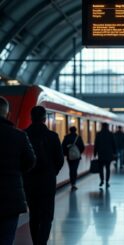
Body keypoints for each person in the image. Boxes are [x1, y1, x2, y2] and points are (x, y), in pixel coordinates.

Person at [23, 106, 64, 245]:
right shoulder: (52, 136)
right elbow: (60, 159)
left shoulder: (23, 134)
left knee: (33, 215)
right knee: (47, 215)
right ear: (44, 119)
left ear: (31, 117)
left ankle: (36, 242)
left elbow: (21, 159)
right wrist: (52, 172)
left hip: (29, 182)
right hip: (47, 181)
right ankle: (41, 242)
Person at [0, 97, 36, 245]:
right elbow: (31, 161)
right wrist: (16, 171)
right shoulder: (19, 136)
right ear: (8, 115)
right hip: (11, 197)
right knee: (6, 239)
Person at [62, 126, 85, 190]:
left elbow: (63, 146)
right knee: (74, 169)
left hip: (69, 157)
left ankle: (72, 183)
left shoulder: (66, 137)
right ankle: (74, 183)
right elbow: (82, 147)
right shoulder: (78, 137)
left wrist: (66, 153)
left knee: (71, 169)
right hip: (77, 157)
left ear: (70, 130)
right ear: (75, 130)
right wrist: (79, 153)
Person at [94, 122, 116, 188]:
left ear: (102, 126)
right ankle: (107, 181)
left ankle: (101, 180)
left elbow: (96, 144)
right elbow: (113, 144)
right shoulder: (111, 134)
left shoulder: (98, 134)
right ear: (107, 126)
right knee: (108, 168)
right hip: (109, 154)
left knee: (101, 168)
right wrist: (114, 153)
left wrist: (95, 153)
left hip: (101, 154)